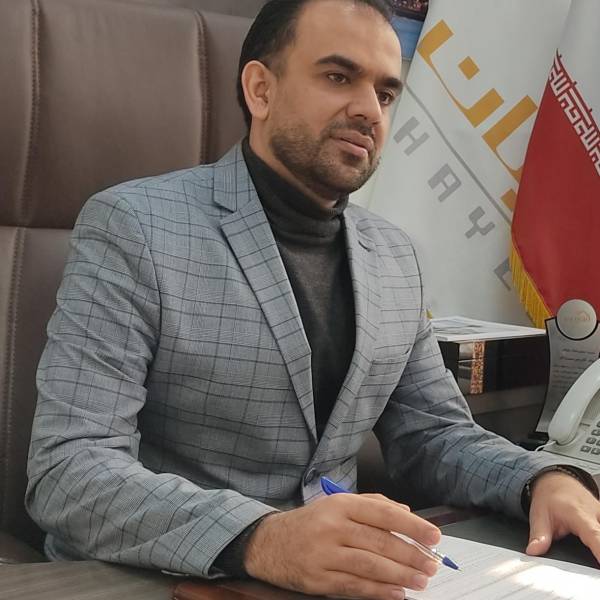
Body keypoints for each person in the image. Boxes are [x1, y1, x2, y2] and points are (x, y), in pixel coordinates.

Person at [26, 1, 600, 598]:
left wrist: (541, 479)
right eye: (338, 76)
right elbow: (68, 470)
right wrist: (264, 537)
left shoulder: (394, 255)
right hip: (167, 576)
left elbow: (433, 436)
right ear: (260, 89)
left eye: (385, 93)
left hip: (334, 580)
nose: (369, 110)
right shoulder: (135, 225)